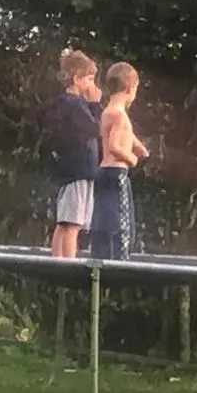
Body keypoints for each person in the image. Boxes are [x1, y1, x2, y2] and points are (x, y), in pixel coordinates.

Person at [44, 50, 103, 258]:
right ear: (77, 79)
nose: (92, 85)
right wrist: (95, 104)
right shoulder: (77, 104)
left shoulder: (64, 103)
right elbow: (95, 128)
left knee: (65, 223)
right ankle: (68, 264)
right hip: (79, 170)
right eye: (90, 79)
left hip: (69, 170)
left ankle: (57, 261)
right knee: (73, 224)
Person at [89, 62, 149, 260]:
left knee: (104, 216)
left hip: (104, 171)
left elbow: (124, 135)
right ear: (129, 88)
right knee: (120, 222)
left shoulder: (108, 111)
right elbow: (114, 146)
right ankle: (119, 259)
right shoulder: (120, 116)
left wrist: (140, 148)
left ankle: (100, 254)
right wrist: (132, 159)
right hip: (117, 172)